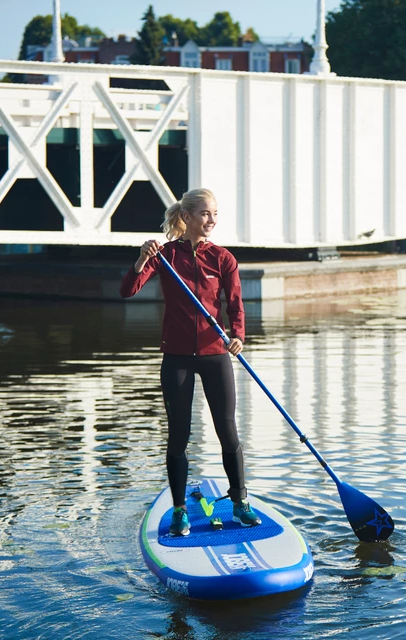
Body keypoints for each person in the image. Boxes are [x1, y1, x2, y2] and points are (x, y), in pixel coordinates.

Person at [119, 188, 261, 536]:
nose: (211, 220)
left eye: (215, 214)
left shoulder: (223, 259)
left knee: (227, 430)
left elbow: (235, 305)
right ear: (188, 217)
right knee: (178, 435)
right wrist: (141, 259)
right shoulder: (165, 256)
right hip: (178, 357)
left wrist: (238, 334)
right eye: (205, 214)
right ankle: (180, 509)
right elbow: (128, 290)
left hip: (216, 354)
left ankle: (240, 502)